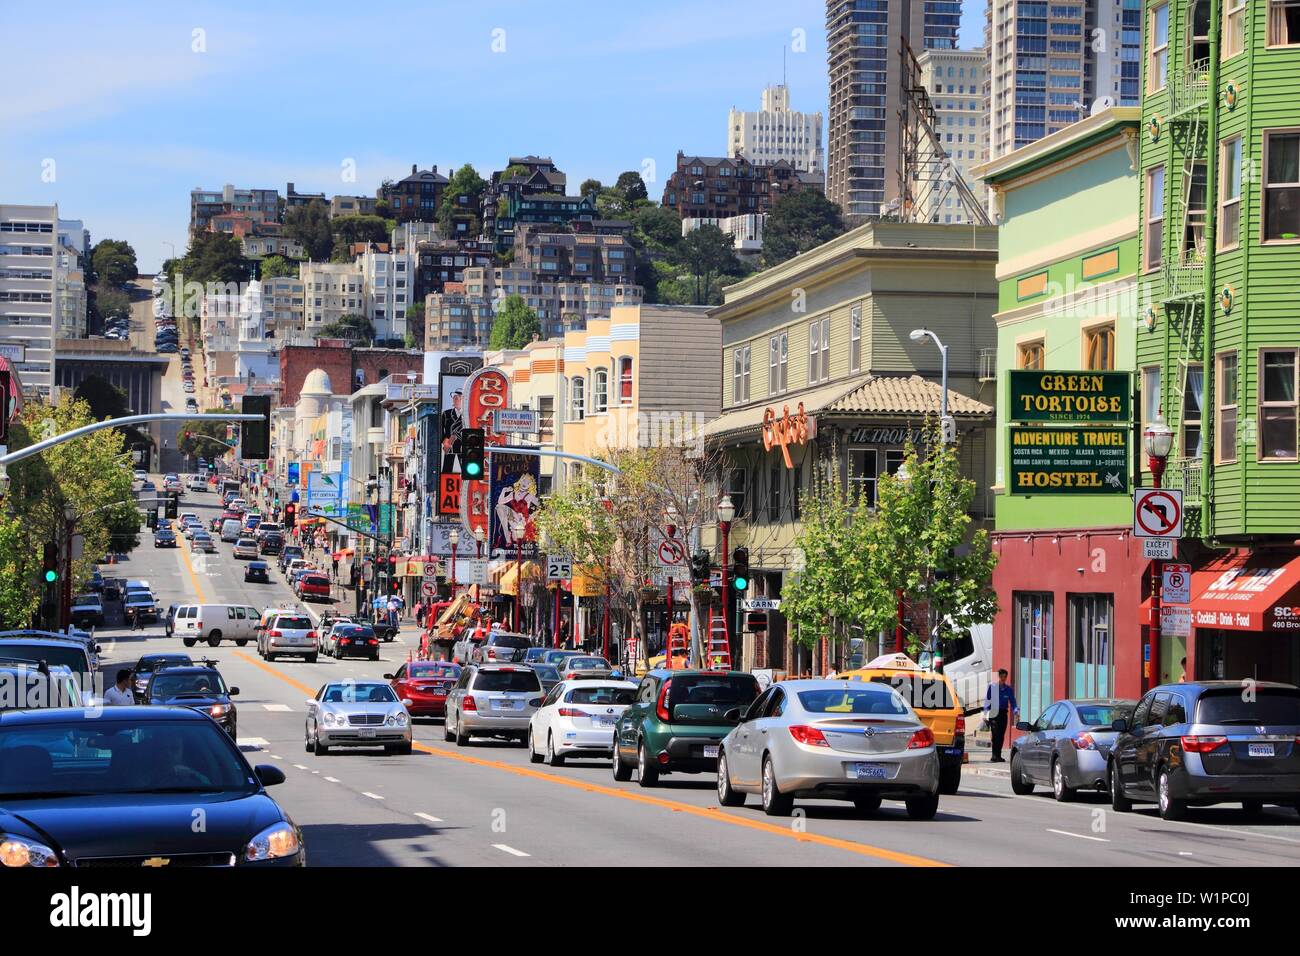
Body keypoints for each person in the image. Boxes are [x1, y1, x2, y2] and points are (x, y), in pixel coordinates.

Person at [983, 669, 1019, 763]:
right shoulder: (992, 687)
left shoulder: (1008, 689)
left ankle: (998, 755)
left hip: (1003, 714)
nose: (1003, 678)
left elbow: (1013, 702)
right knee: (995, 735)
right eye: (1001, 676)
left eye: (1005, 677)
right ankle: (994, 756)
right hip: (994, 714)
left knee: (1001, 735)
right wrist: (986, 713)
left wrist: (1016, 711)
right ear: (998, 677)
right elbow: (987, 701)